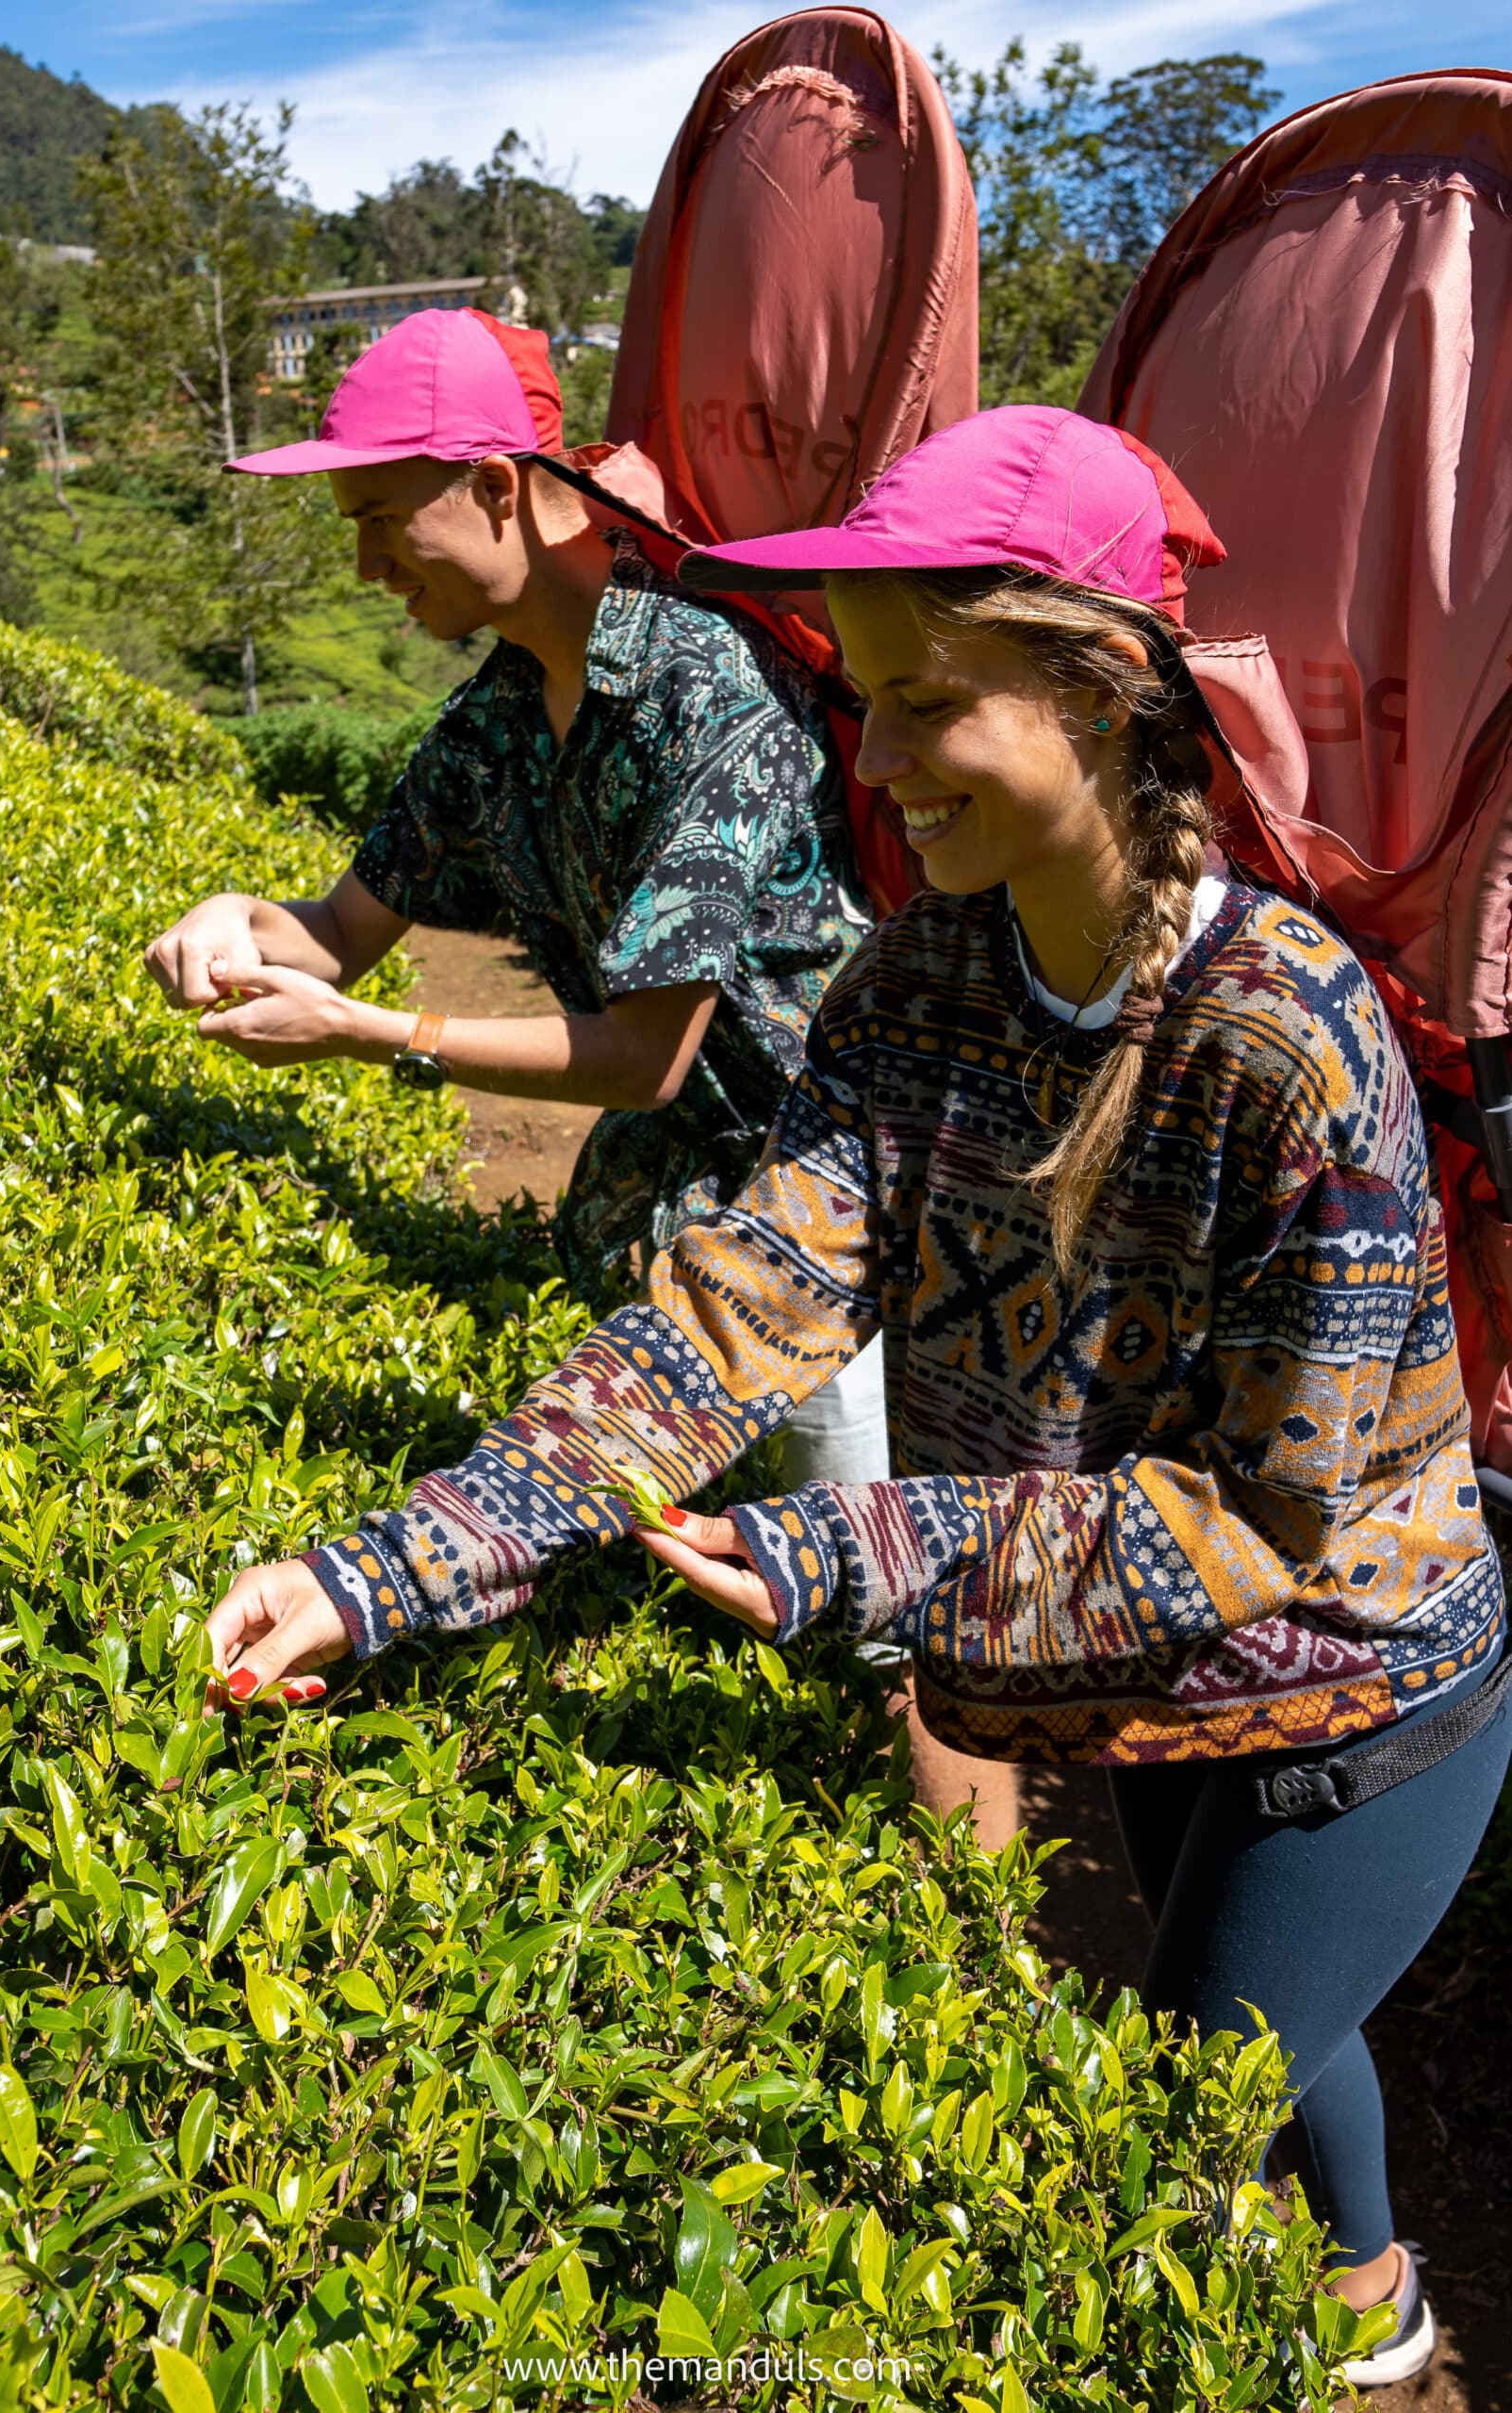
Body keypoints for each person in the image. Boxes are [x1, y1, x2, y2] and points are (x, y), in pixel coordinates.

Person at [200, 406, 1509, 2384]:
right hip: (1133, 1676)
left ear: (1104, 696)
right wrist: (381, 1573)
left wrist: (850, 1548)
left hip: (1363, 1685)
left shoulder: (1285, 1038)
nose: (873, 762)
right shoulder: (916, 993)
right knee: (1270, 2017)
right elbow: (723, 1315)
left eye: (925, 703)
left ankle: (1350, 2330)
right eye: (866, 701)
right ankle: (1376, 2299)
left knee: (1157, 2109)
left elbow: (1271, 1519)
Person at [148, 304, 1011, 1834]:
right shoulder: (494, 715)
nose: (364, 567)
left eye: (376, 520)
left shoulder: (707, 692)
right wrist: (238, 919)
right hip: (675, 1218)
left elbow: (644, 1051)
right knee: (710, 1563)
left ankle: (977, 1957)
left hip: (835, 1219)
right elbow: (341, 928)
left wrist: (377, 1037)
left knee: (891, 1629)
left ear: (496, 485)